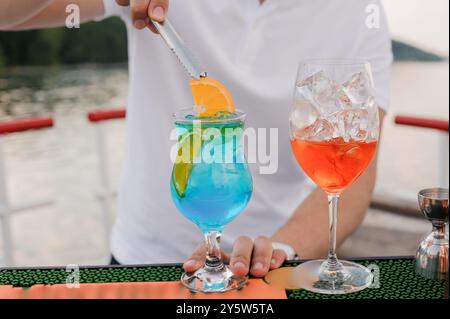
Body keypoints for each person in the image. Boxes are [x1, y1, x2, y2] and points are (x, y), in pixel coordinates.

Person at [0, 0, 392, 278]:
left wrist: (280, 250)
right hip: (144, 262)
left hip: (271, 271)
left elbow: (355, 181)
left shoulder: (360, 12)